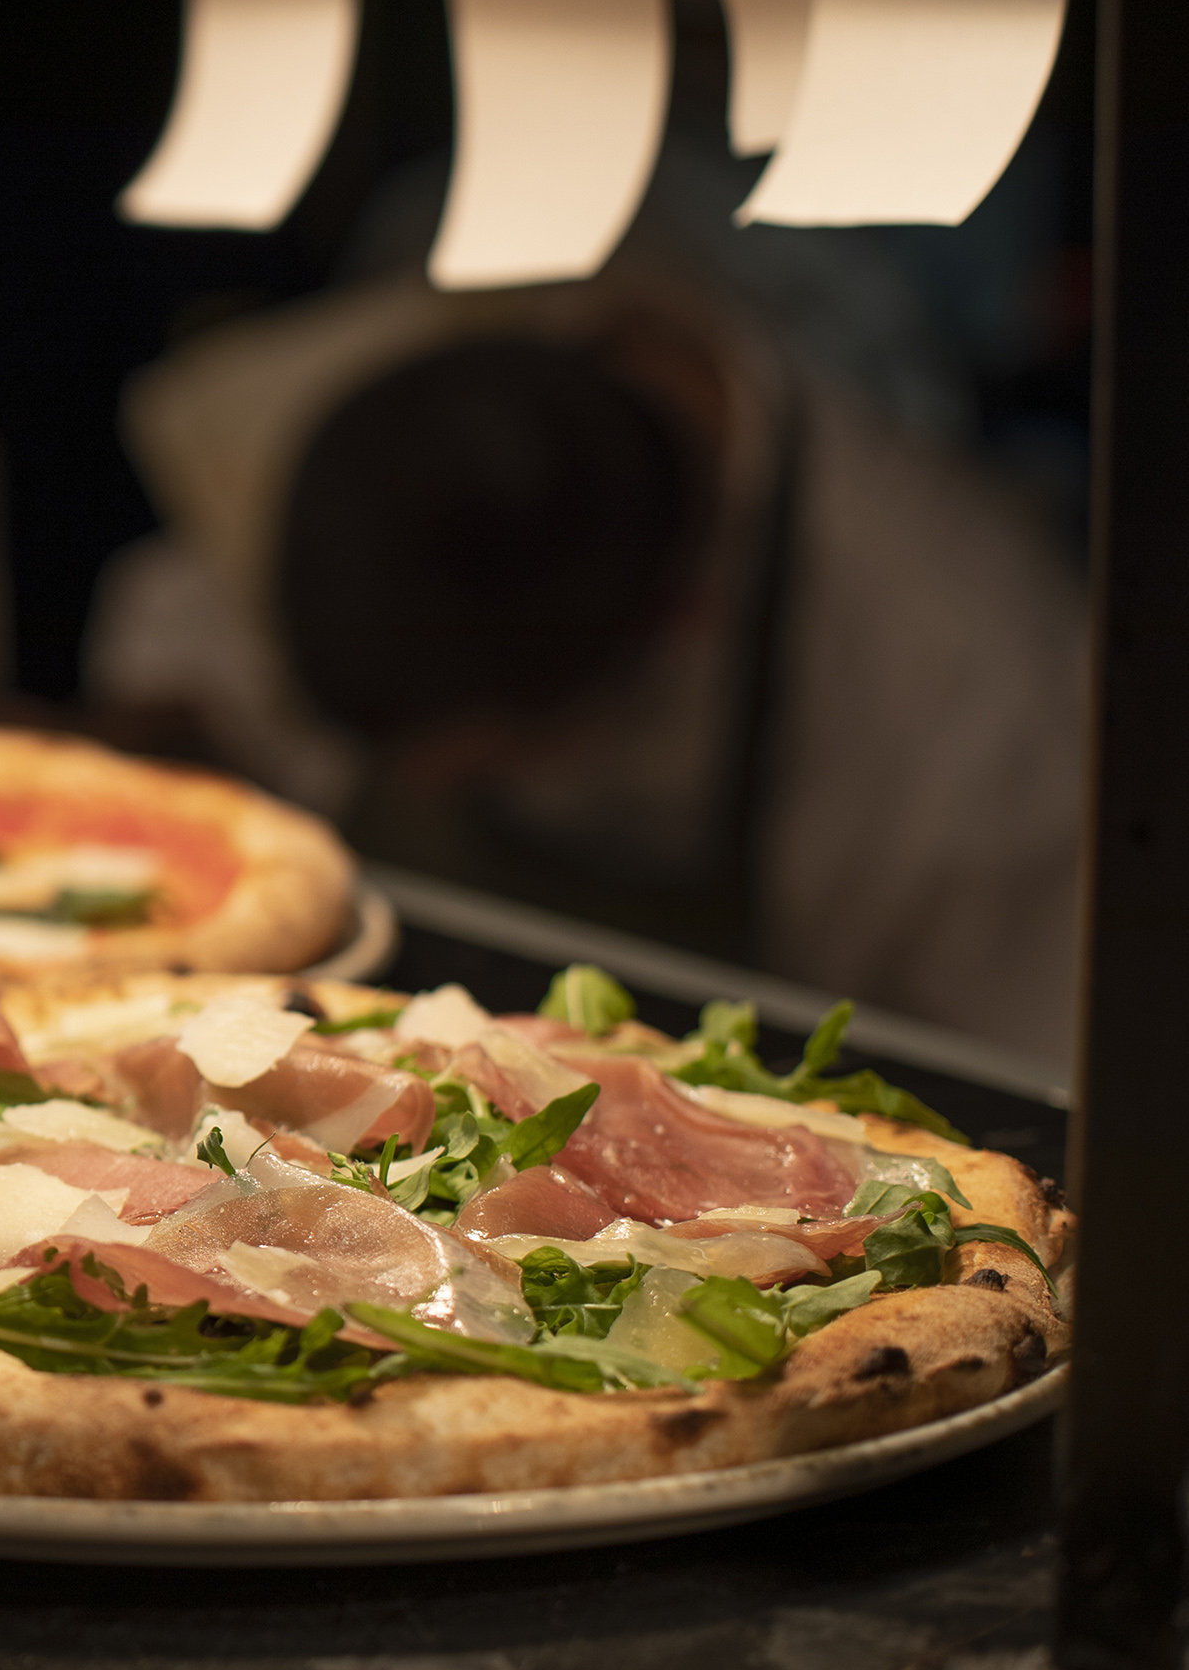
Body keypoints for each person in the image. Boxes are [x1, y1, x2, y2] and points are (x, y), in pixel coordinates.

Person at [86, 215, 1086, 1062]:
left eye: (484, 760)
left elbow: (1034, 1095)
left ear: (680, 619)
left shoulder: (981, 714)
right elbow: (178, 664)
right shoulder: (453, 307)